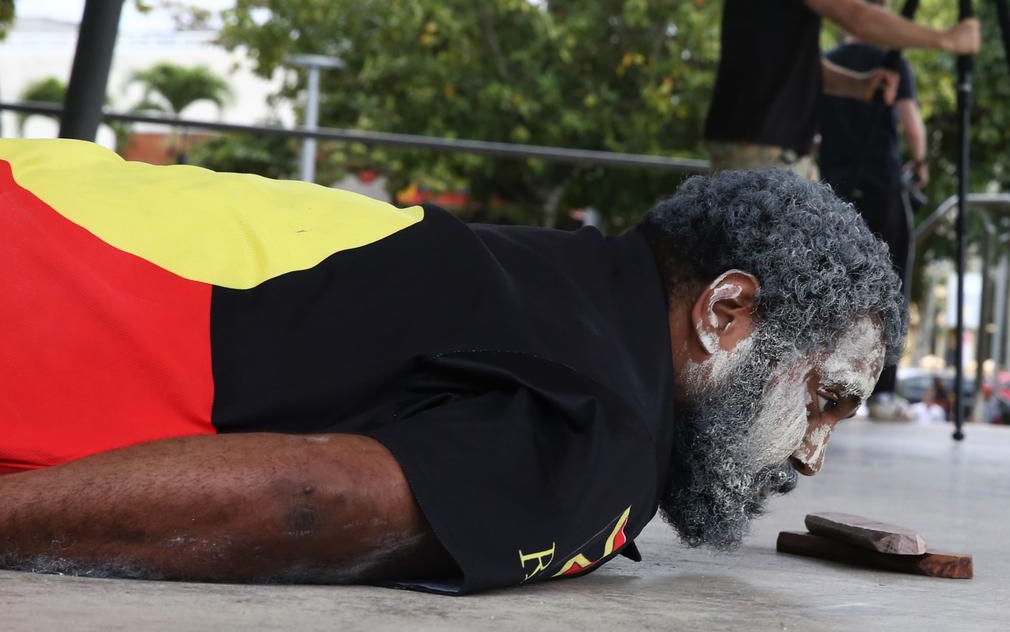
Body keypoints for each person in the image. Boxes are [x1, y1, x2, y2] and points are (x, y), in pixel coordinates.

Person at [0, 139, 903, 594]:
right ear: (725, 312)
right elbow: (312, 501)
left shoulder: (552, 273)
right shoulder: (608, 437)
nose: (811, 455)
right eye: (824, 400)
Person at [703, 0, 980, 177]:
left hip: (757, 145)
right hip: (766, 152)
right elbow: (859, 19)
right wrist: (948, 39)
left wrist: (857, 85)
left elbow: (791, 64)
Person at [818, 0, 927, 399]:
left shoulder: (828, 62)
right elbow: (912, 123)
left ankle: (825, 380)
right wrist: (921, 164)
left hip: (834, 187)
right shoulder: (892, 60)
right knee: (891, 281)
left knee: (833, 279)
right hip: (881, 183)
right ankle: (882, 388)